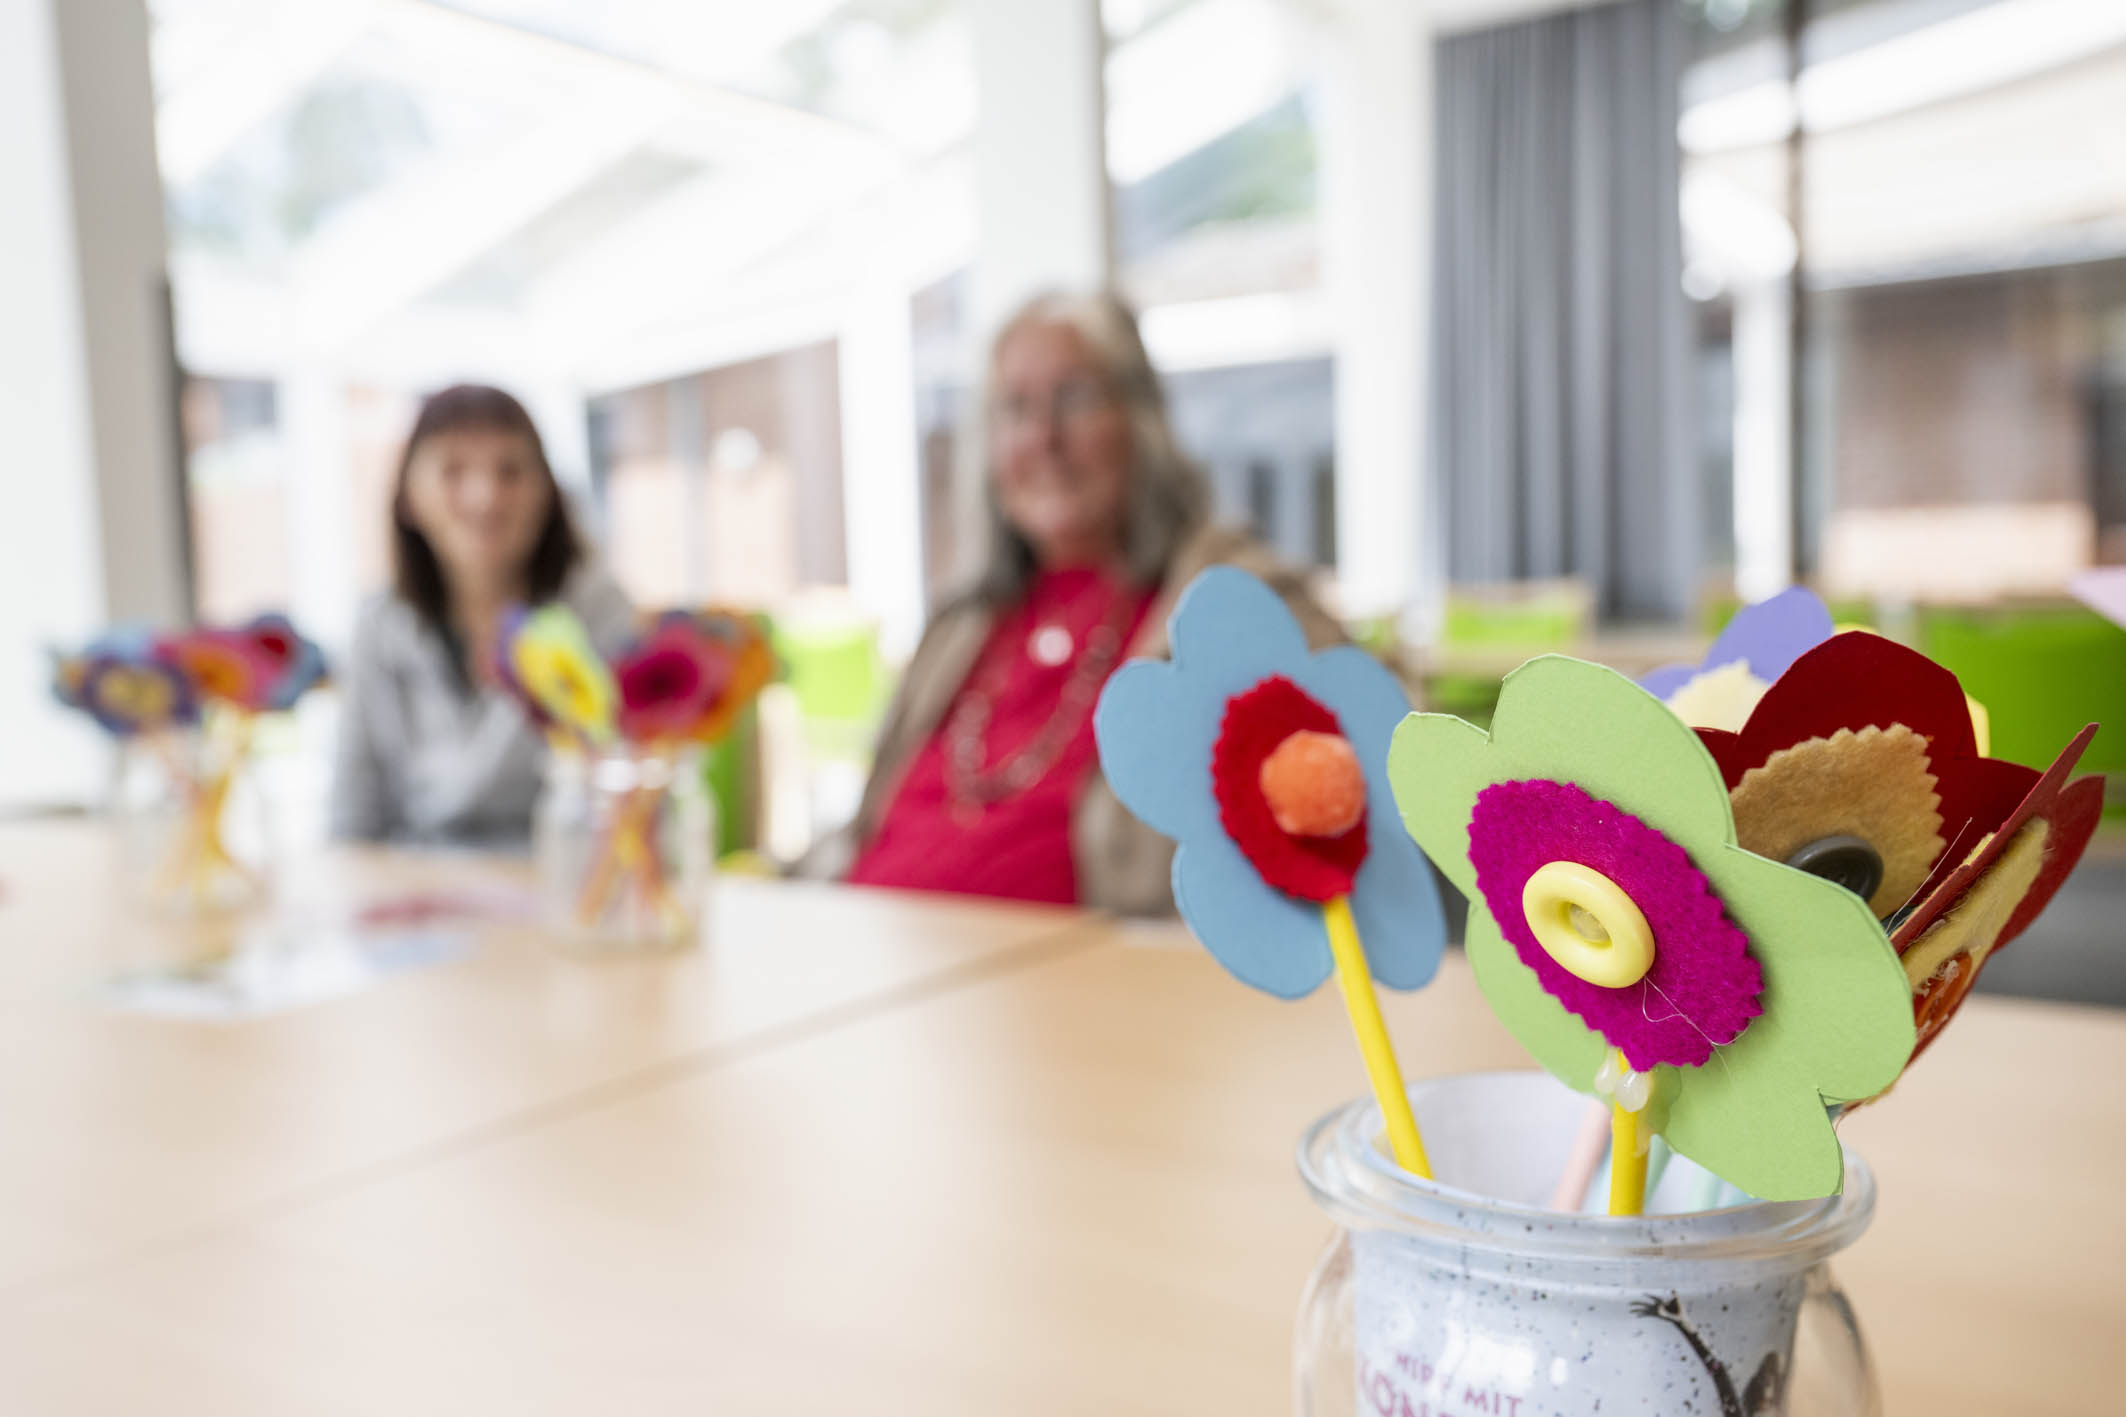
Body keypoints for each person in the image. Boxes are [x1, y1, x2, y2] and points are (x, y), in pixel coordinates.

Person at [834, 290, 1338, 913]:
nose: (1044, 437)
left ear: (1141, 422)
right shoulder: (960, 624)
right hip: (868, 951)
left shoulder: (1230, 596)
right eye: (1015, 410)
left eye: (1075, 398)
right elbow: (857, 834)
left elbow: (1373, 741)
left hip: (1080, 987)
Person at [331, 384, 635, 844]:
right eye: (453, 470)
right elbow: (350, 821)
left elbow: (630, 797)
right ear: (408, 498)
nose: (485, 496)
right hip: (414, 902)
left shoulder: (600, 612)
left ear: (548, 493)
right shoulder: (376, 626)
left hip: (559, 887)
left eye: (510, 471)